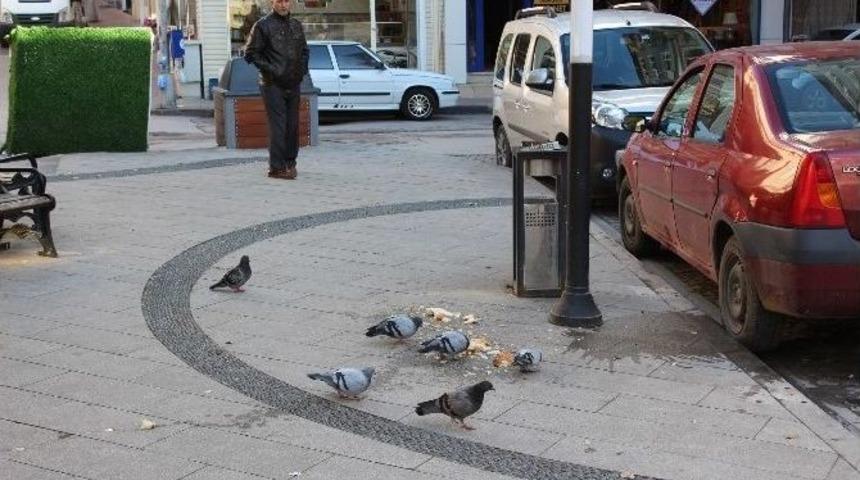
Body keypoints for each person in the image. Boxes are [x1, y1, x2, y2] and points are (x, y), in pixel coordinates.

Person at [243, 0, 309, 180]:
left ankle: (290, 163)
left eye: (287, 1)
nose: (283, 5)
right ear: (273, 2)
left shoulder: (296, 25)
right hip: (272, 84)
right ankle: (276, 168)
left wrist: (301, 71)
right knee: (278, 126)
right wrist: (273, 70)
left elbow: (304, 51)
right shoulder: (262, 26)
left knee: (293, 125)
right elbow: (249, 54)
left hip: (293, 82)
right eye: (279, 1)